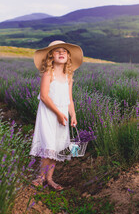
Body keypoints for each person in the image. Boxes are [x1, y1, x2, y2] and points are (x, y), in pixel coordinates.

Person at [29, 40, 83, 190]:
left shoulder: (68, 77)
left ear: (68, 57)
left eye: (64, 51)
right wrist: (58, 113)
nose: (61, 53)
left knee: (58, 147)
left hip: (62, 115)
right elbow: (44, 96)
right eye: (57, 51)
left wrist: (73, 115)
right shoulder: (48, 73)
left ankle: (50, 179)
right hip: (49, 113)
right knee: (48, 146)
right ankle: (40, 177)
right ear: (51, 56)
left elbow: (69, 99)